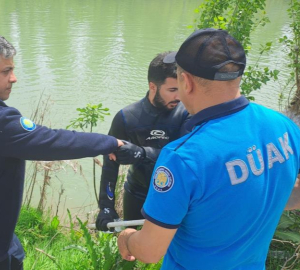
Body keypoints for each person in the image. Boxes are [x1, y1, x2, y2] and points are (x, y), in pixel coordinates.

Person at [0, 33, 123, 270]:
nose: (14, 78)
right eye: (5, 71)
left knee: (14, 258)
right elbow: (53, 141)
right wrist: (110, 143)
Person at [117, 28, 300, 269]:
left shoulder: (183, 159)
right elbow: (290, 195)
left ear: (187, 82)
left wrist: (127, 239)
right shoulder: (284, 126)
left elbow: (150, 251)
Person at [95, 52, 189, 231]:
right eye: (172, 90)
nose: (179, 96)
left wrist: (141, 153)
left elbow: (185, 157)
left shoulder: (187, 113)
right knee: (132, 252)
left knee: (175, 252)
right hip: (137, 193)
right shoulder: (127, 117)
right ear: (153, 87)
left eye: (181, 88)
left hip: (176, 194)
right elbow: (110, 164)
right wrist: (106, 207)